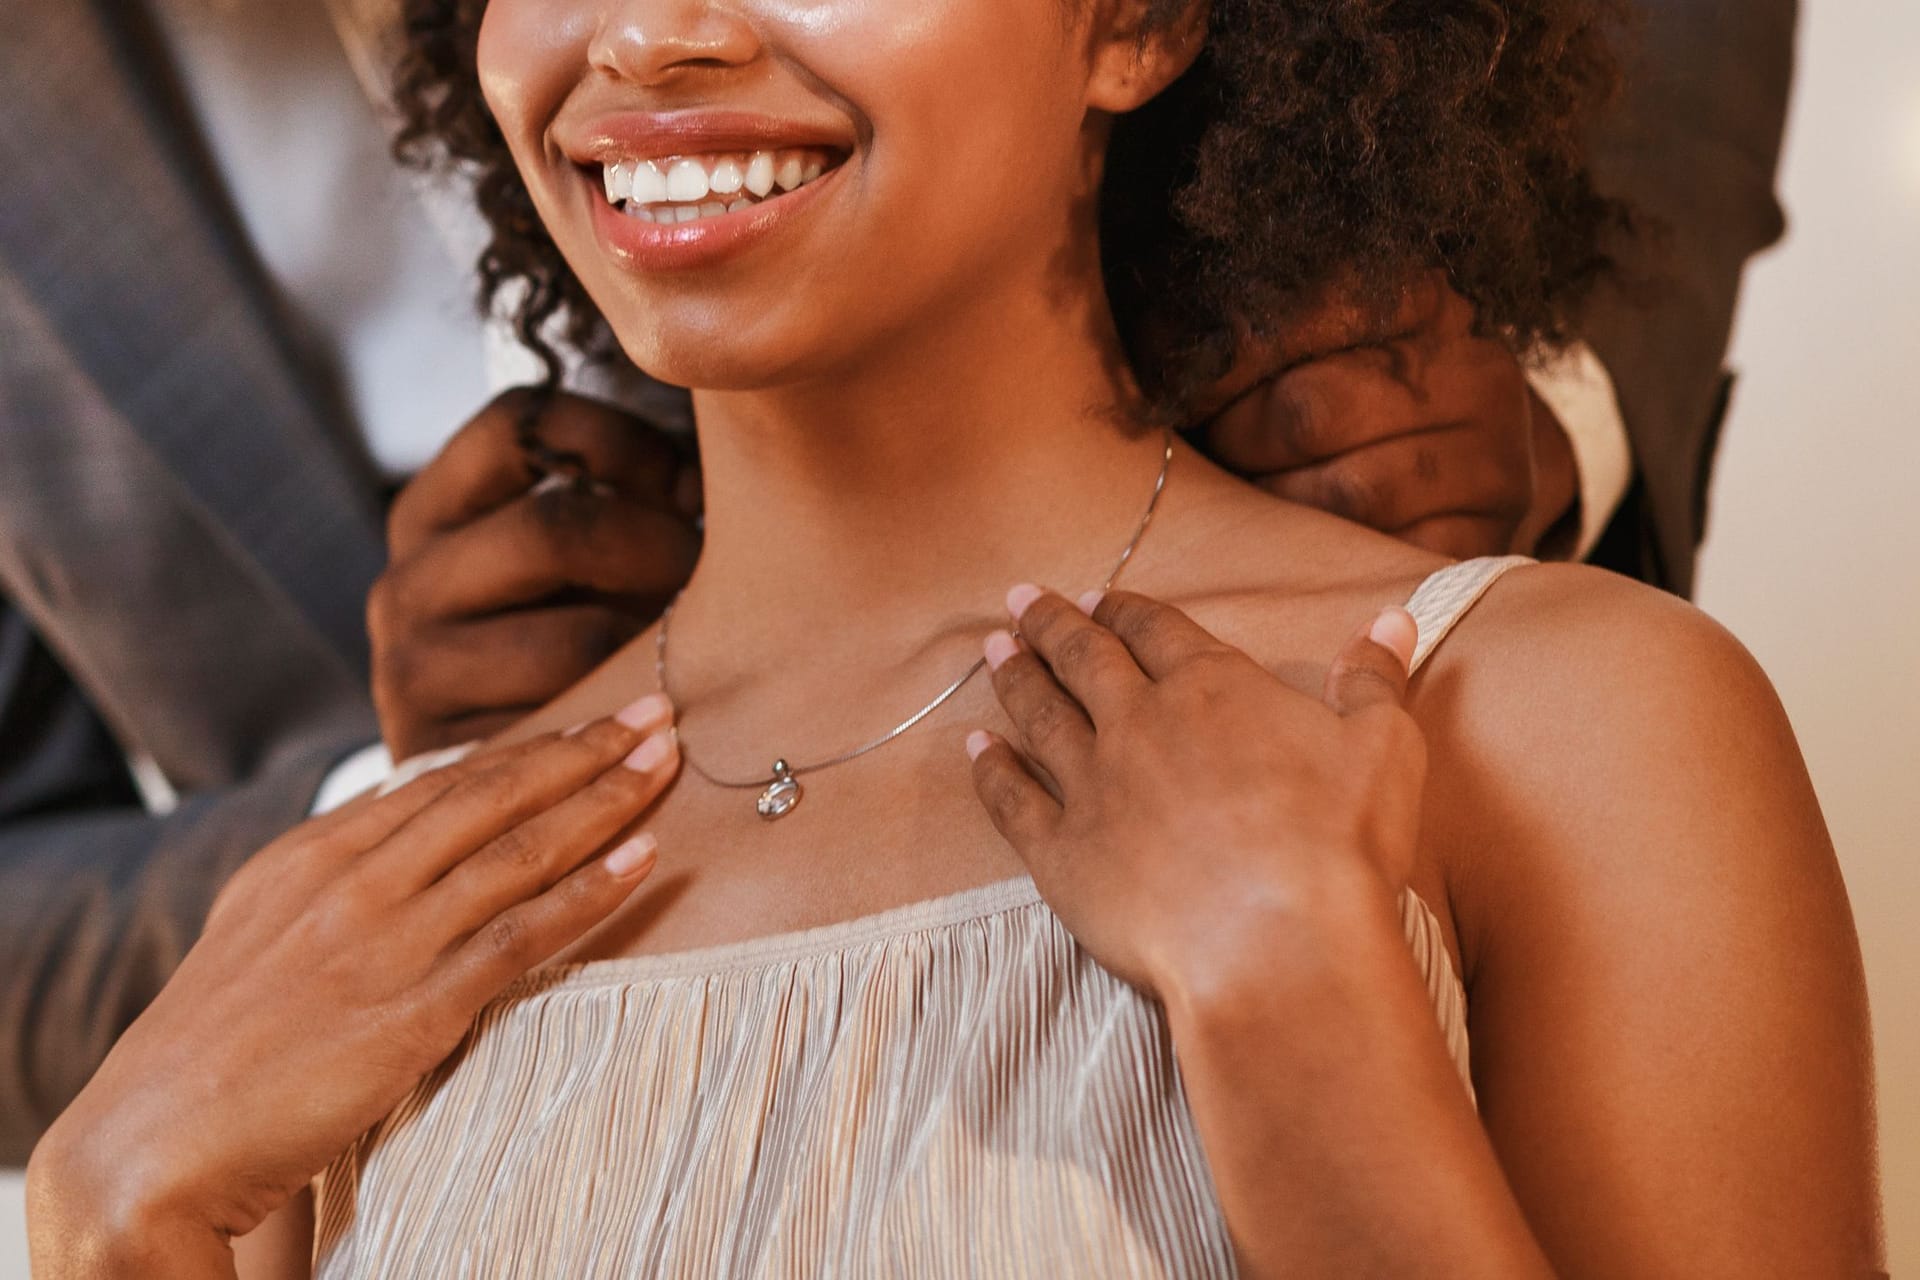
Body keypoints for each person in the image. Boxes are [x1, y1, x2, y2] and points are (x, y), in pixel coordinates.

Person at [26, 0, 1881, 1275]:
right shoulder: (339, 945)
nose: (653, 30)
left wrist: (1303, 1031)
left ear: (1136, 18)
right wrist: (117, 1223)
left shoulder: (1552, 719)